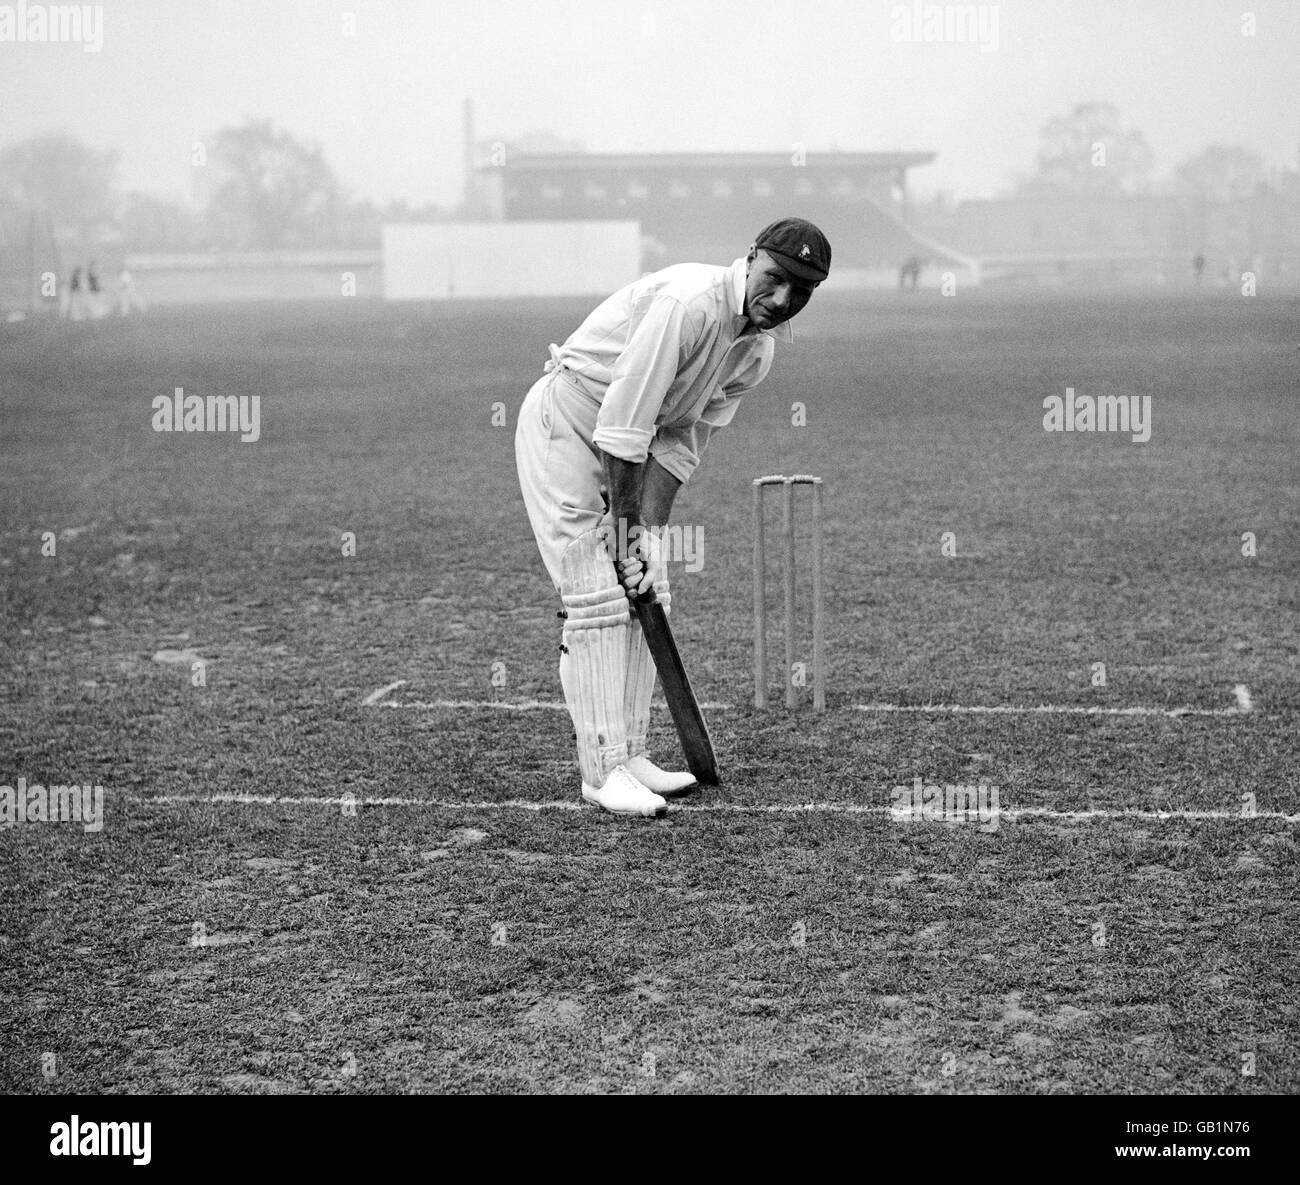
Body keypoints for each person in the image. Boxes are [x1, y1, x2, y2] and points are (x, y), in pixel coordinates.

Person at [514, 217, 831, 817]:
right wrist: (624, 526)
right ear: (751, 256)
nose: (783, 300)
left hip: (625, 443)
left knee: (648, 582)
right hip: (569, 423)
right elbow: (623, 424)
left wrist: (647, 533)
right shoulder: (689, 305)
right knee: (596, 592)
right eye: (776, 279)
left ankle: (630, 755)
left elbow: (681, 440)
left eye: (802, 291)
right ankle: (600, 770)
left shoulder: (755, 353)